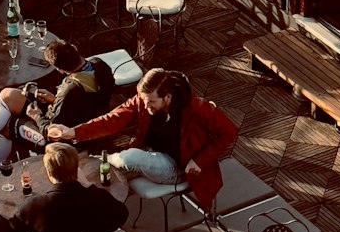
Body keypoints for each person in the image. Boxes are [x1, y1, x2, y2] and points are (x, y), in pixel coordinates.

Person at [47, 68, 237, 212]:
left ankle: (102, 158)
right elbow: (112, 119)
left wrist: (200, 161)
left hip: (179, 168)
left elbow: (229, 132)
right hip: (149, 155)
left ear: (168, 97)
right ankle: (85, 213)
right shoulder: (144, 99)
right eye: (143, 100)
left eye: (152, 102)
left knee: (129, 158)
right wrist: (73, 132)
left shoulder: (197, 109)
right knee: (101, 176)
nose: (145, 106)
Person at [0, 42, 114, 171]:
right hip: (82, 117)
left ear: (60, 70)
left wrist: (36, 115)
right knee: (8, 95)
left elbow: (52, 132)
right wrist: (55, 99)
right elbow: (85, 102)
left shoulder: (71, 91)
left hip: (67, 143)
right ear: (75, 49)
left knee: (3, 125)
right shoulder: (99, 65)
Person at [8, 142, 128, 232]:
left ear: (49, 172)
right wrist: (88, 185)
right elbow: (122, 215)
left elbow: (13, 230)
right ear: (77, 169)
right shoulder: (98, 198)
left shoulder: (33, 205)